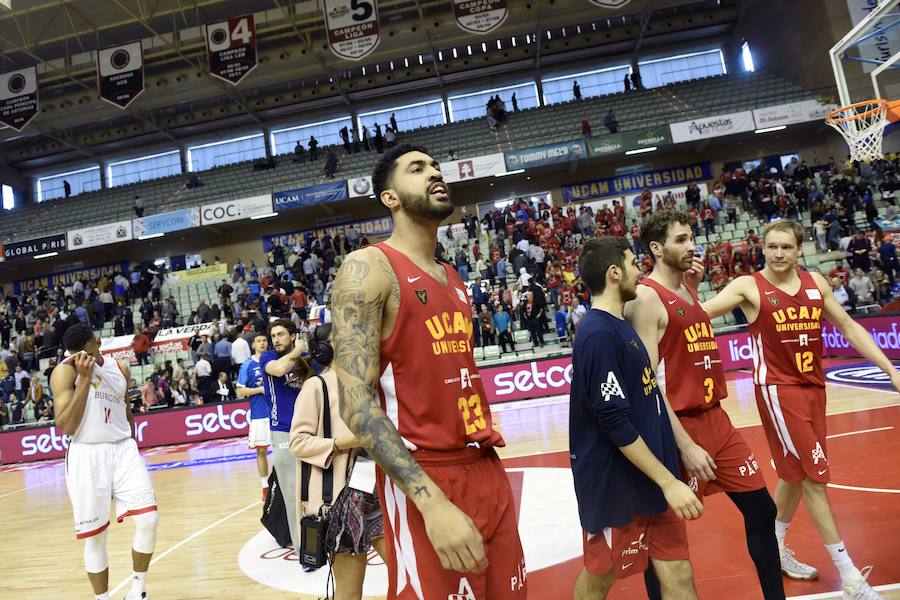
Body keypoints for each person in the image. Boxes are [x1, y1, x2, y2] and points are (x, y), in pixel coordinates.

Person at [331, 144, 526, 599]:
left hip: (484, 466)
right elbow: (356, 405)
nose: (435, 174)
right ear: (390, 198)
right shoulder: (368, 268)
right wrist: (431, 502)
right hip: (426, 475)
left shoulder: (453, 277)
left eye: (436, 167)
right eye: (417, 169)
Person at [703, 220, 900, 599]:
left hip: (814, 389)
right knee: (814, 480)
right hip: (779, 391)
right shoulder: (748, 286)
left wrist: (890, 369)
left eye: (786, 247)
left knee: (793, 474)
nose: (778, 254)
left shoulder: (816, 284)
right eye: (772, 246)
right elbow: (696, 314)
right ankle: (851, 577)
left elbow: (848, 326)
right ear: (763, 247)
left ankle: (775, 547)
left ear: (799, 249)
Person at [626, 212, 784, 600]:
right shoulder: (646, 297)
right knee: (663, 535)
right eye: (680, 239)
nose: (691, 244)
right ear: (657, 248)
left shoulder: (687, 287)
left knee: (762, 511)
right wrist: (685, 445)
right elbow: (647, 380)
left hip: (717, 419)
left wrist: (692, 288)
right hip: (676, 427)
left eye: (691, 237)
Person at [570, 236, 702, 600]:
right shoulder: (596, 335)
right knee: (600, 579)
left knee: (679, 578)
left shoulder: (621, 325)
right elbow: (614, 422)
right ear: (614, 273)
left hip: (655, 483)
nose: (639, 270)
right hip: (619, 488)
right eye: (632, 263)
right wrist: (668, 481)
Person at [49, 324, 158, 600]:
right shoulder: (66, 371)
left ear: (97, 343)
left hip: (123, 449)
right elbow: (66, 426)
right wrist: (84, 380)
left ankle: (137, 591)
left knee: (149, 519)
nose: (79, 360)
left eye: (84, 353)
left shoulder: (120, 368)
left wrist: (132, 442)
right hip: (86, 453)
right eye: (74, 355)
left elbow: (126, 411)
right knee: (96, 537)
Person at [289, 323, 387, 588]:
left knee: (407, 571)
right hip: (340, 500)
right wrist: (342, 443)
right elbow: (297, 442)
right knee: (349, 592)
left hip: (376, 492)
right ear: (324, 349)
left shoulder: (367, 382)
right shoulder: (315, 386)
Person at [260, 319, 309, 551]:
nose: (276, 339)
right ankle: (304, 550)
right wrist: (298, 350)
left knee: (317, 488)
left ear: (293, 335)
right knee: (292, 493)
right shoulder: (267, 358)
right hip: (282, 431)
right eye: (274, 335)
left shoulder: (308, 356)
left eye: (281, 334)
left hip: (311, 428)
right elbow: (280, 370)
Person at [236, 332, 272, 502]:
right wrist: (259, 390)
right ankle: (265, 486)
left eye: (265, 340)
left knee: (284, 450)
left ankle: (279, 483)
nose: (262, 343)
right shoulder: (247, 365)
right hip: (259, 415)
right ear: (253, 345)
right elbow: (240, 391)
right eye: (259, 341)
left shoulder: (274, 360)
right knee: (261, 451)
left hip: (277, 412)